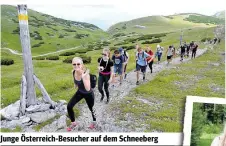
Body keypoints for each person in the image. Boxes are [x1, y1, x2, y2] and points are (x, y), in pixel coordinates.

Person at [67, 57, 96, 131]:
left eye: (78, 64)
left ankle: (94, 122)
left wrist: (83, 78)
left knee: (92, 109)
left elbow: (88, 89)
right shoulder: (73, 72)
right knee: (69, 106)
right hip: (80, 92)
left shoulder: (86, 75)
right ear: (72, 65)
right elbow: (75, 80)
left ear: (82, 65)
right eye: (74, 64)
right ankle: (73, 123)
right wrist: (75, 85)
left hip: (88, 94)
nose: (76, 65)